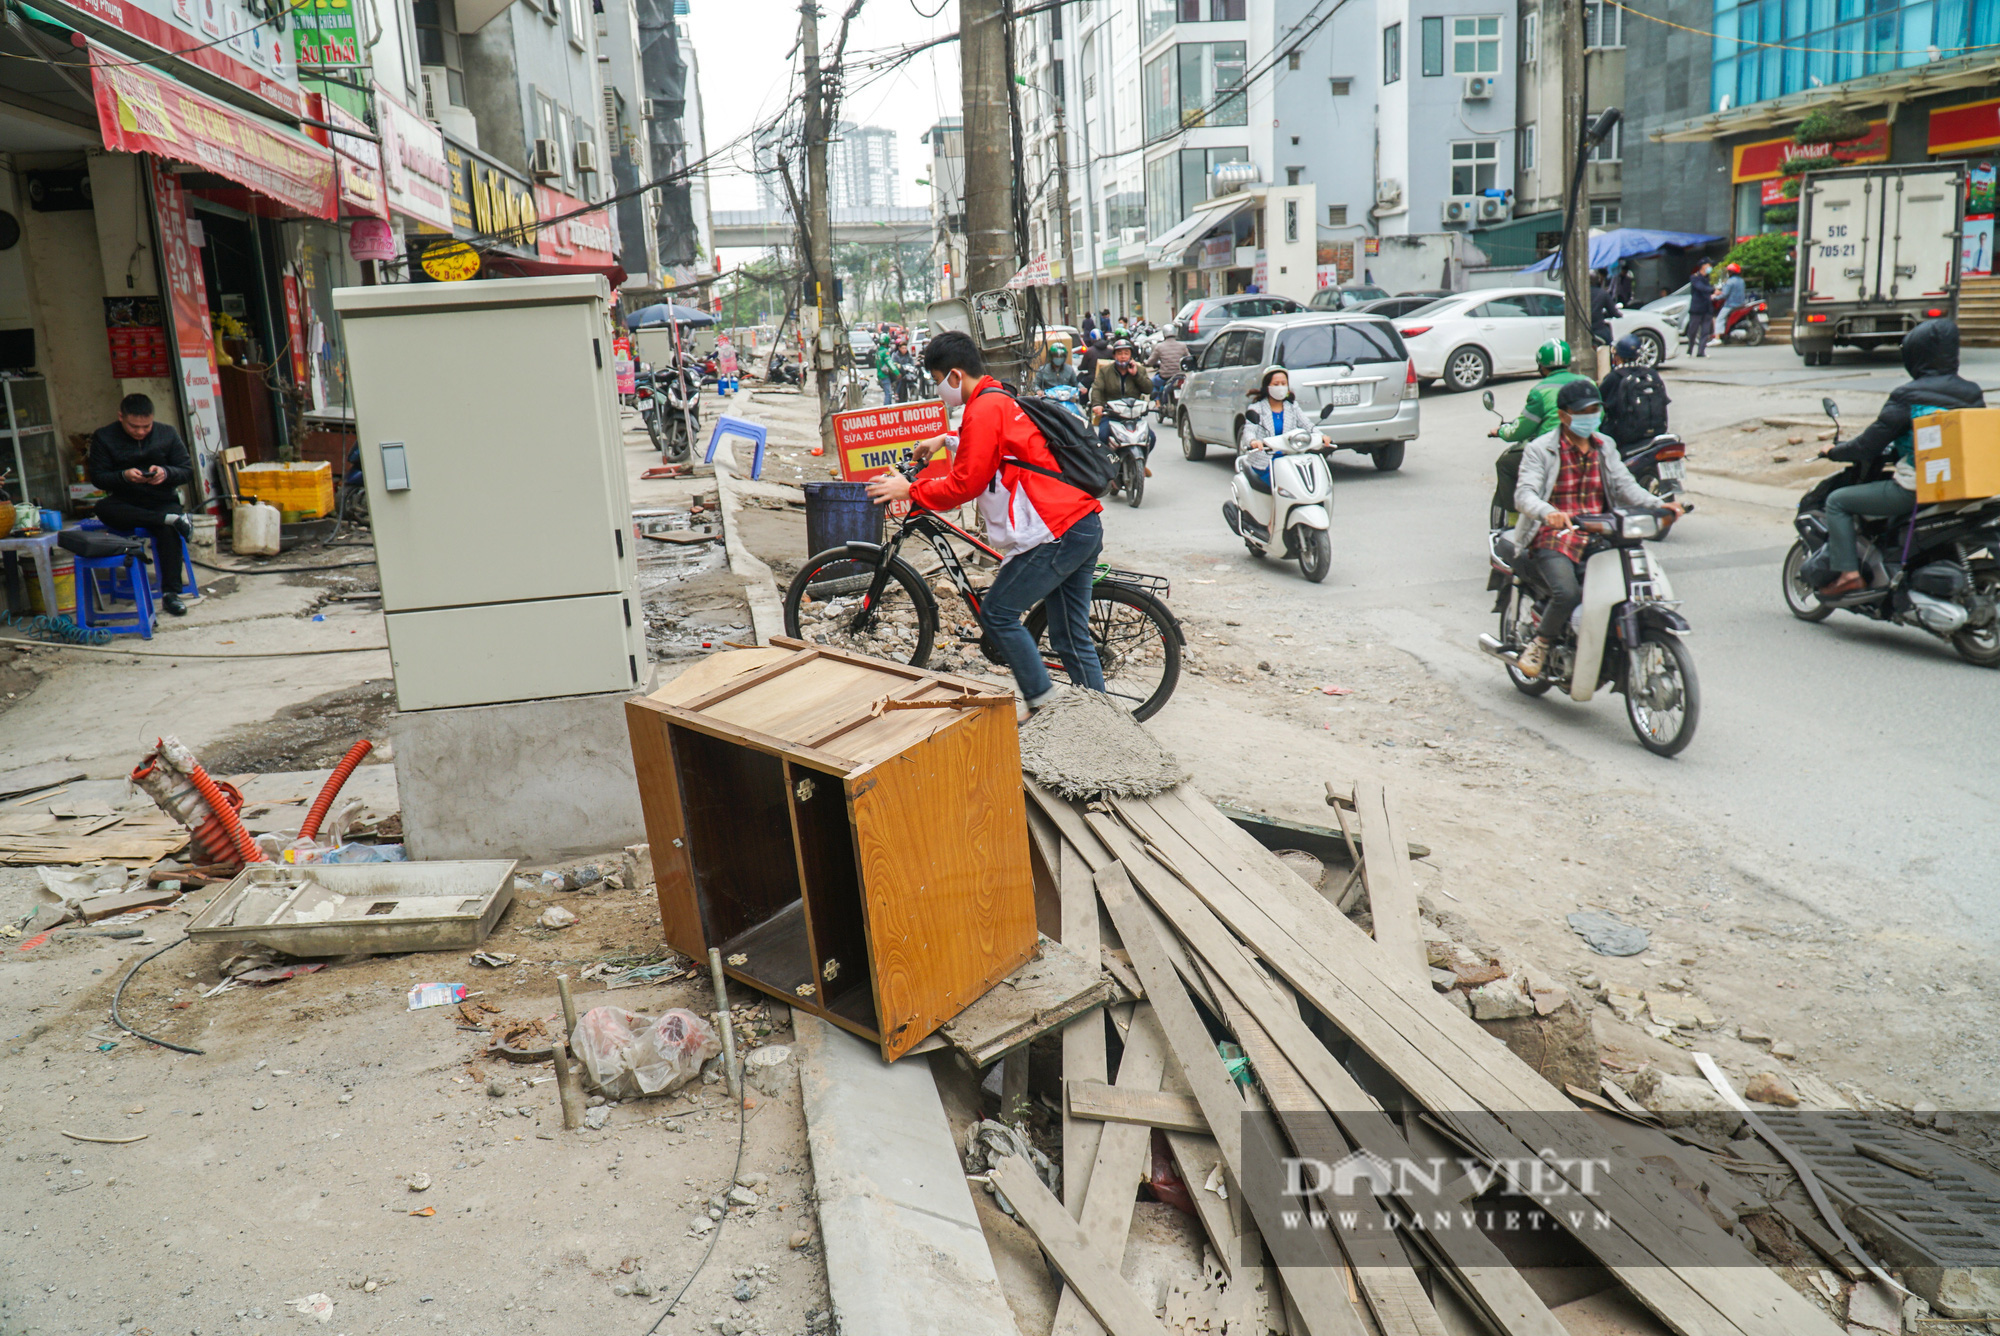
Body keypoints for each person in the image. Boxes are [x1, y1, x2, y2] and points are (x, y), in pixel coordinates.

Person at [863, 330, 1105, 711]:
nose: (939, 389)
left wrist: (910, 490)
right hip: (1078, 523)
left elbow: (965, 484)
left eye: (938, 380)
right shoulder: (994, 397)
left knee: (998, 613)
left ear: (956, 376)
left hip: (1055, 530)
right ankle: (1101, 724)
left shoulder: (984, 408)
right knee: (1070, 638)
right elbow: (993, 448)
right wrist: (944, 439)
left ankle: (1042, 706)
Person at [1511, 380, 1681, 678]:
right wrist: (1548, 513)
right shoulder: (1541, 450)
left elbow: (1625, 486)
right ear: (1564, 416)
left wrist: (1659, 505)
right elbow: (1524, 495)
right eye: (1583, 411)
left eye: (1595, 410)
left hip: (1601, 533)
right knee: (1567, 593)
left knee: (1633, 588)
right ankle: (1540, 643)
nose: (1591, 416)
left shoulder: (1605, 446)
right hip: (1556, 536)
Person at [1813, 318, 1983, 598]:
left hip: (1918, 488)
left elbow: (1868, 446)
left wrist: (1834, 452)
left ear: (1916, 353)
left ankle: (1849, 574)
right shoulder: (1972, 392)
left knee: (1838, 501)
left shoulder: (1908, 394)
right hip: (1963, 488)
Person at [86, 393, 195, 616]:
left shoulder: (167, 433)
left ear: (153, 419)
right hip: (126, 502)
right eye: (134, 426)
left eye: (146, 426)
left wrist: (166, 473)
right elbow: (98, 477)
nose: (141, 431)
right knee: (103, 508)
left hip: (162, 500)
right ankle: (172, 520)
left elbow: (187, 470)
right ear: (121, 417)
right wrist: (124, 476)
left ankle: (171, 594)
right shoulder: (104, 437)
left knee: (168, 531)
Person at [1492, 340, 1589, 444]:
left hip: (1554, 450)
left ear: (1541, 366)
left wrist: (1501, 431)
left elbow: (1522, 429)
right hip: (1589, 445)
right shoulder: (1588, 383)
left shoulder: (1539, 391)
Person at [1090, 338, 1156, 471]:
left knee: (1151, 437)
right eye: (1119, 353)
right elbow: (1097, 389)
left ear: (1131, 355)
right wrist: (1097, 405)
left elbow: (1148, 389)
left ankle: (1141, 465)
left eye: (1126, 353)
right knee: (1102, 436)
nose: (1123, 356)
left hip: (1133, 416)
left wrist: (1136, 375)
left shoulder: (1139, 370)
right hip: (1112, 416)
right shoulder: (1105, 371)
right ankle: (1108, 468)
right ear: (1114, 355)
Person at [1599, 335, 1671, 451]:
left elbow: (1601, 402)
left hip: (1624, 438)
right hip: (1656, 432)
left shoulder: (1614, 377)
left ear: (1617, 356)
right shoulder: (1651, 374)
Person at [1148, 328, 1190, 405]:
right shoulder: (1182, 345)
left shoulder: (1159, 347)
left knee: (1152, 383)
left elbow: (1150, 361)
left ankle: (1157, 403)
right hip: (1179, 375)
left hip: (1165, 376)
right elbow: (1189, 358)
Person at [1686, 260, 1716, 357]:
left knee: (1705, 331)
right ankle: (1690, 350)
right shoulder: (1695, 277)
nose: (1710, 267)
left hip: (1707, 308)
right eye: (1708, 265)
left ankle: (1701, 351)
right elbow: (1700, 287)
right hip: (1697, 309)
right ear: (1703, 266)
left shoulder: (1709, 278)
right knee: (1693, 331)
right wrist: (1713, 290)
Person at [1716, 262, 1749, 338]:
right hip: (1741, 304)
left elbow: (1724, 295)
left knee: (1719, 319)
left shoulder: (1730, 282)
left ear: (1731, 272)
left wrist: (1715, 297)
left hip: (1730, 305)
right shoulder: (1741, 281)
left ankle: (1717, 338)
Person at [1589, 271, 1620, 348]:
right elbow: (1613, 312)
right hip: (1598, 329)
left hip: (1581, 329)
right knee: (1610, 346)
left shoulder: (1578, 294)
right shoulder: (1603, 293)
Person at [873, 335, 899, 405]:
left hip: (880, 375)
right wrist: (897, 372)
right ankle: (886, 410)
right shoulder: (885, 352)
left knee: (888, 393)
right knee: (888, 394)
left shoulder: (878, 352)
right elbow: (890, 363)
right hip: (884, 375)